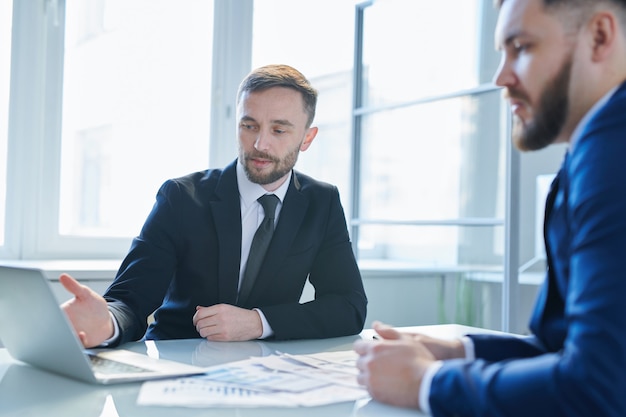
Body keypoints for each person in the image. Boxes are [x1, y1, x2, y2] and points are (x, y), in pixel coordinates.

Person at [354, 0, 626, 415]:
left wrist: (427, 383)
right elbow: (561, 346)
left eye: (521, 47)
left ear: (600, 36)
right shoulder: (593, 146)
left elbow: (598, 387)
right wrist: (456, 352)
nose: (501, 76)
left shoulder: (613, 154)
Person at [60, 64, 367, 348]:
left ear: (307, 138)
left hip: (266, 373)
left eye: (278, 130)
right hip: (176, 364)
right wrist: (108, 322)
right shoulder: (181, 197)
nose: (260, 144)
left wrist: (258, 323)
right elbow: (129, 300)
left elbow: (349, 306)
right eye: (249, 126)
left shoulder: (321, 202)